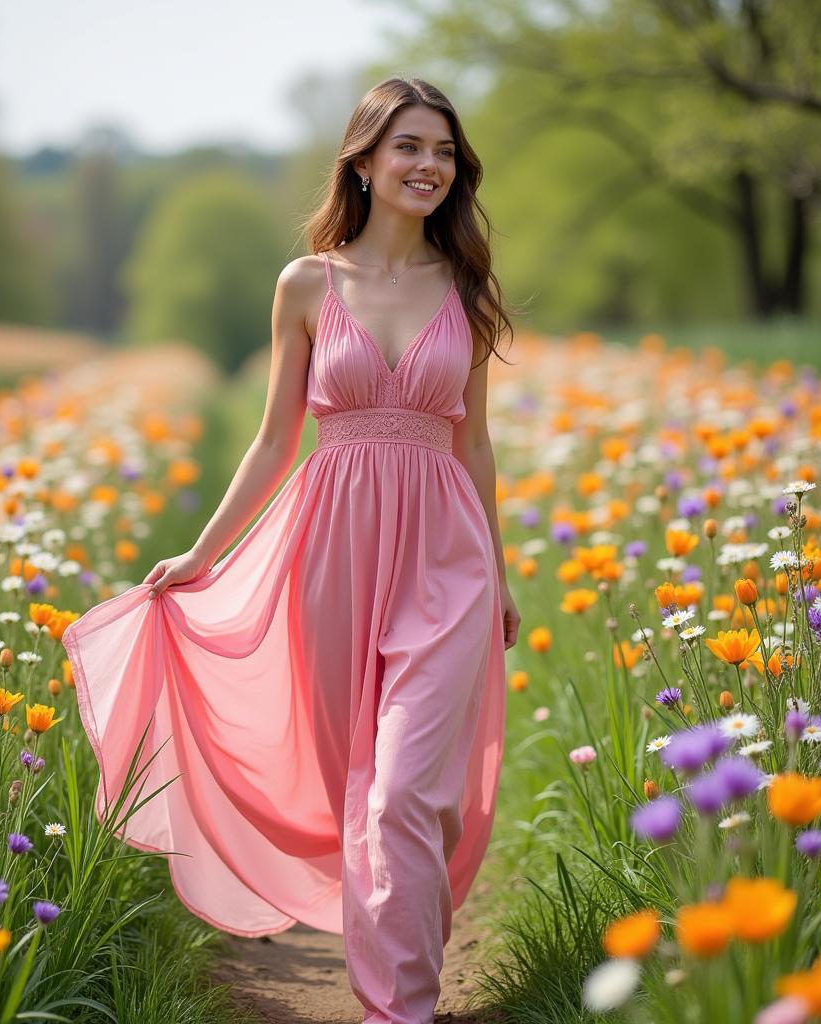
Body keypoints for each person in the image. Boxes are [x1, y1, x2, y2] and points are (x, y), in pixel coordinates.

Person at [61, 75, 521, 1024]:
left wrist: (503, 575)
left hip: (448, 559)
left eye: (443, 150)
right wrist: (199, 555)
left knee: (404, 793)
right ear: (363, 159)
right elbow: (275, 440)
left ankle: (402, 1008)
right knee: (358, 785)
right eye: (409, 147)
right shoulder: (308, 284)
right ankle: (397, 969)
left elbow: (473, 442)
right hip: (333, 553)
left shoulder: (467, 291)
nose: (428, 165)